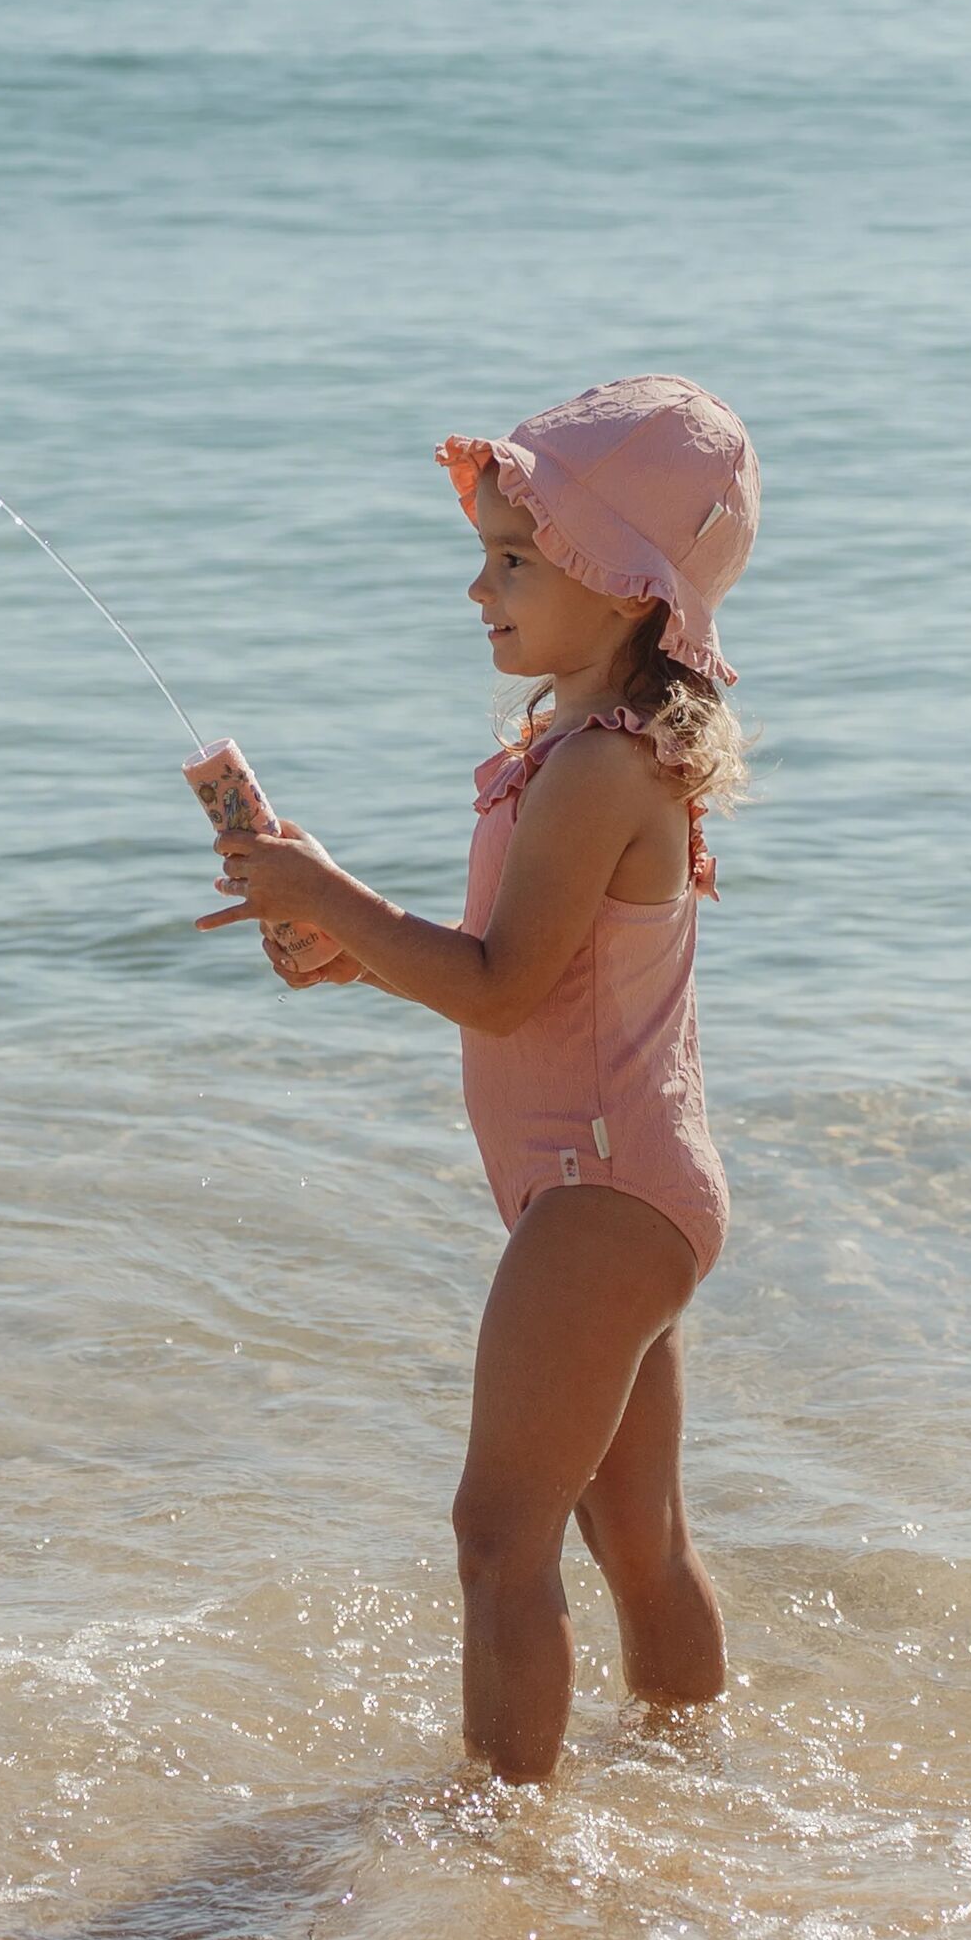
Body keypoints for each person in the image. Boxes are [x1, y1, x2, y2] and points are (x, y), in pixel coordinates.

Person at [193, 375, 761, 1783]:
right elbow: (514, 970)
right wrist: (345, 945)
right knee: (638, 1541)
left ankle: (509, 1858)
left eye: (515, 557)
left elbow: (501, 993)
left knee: (497, 1541)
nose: (477, 587)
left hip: (598, 1195)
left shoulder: (597, 773)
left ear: (623, 587)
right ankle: (698, 1791)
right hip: (621, 1187)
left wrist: (329, 888)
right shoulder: (578, 752)